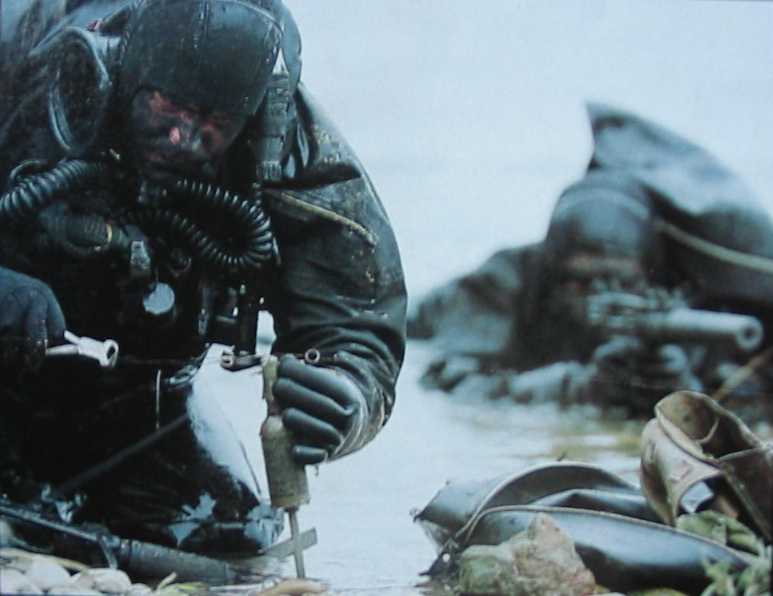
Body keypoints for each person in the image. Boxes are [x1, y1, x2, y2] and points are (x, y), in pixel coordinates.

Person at [0, 0, 406, 555]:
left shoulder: (288, 142)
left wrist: (346, 399)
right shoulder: (24, 57)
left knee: (231, 539)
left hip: (143, 402)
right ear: (130, 68)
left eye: (213, 122)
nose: (181, 138)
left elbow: (357, 314)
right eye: (167, 104)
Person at [411, 104, 773, 423]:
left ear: (648, 272)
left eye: (621, 282)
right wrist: (575, 389)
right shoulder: (506, 282)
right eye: (580, 282)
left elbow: (747, 405)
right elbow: (446, 381)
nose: (601, 295)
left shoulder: (682, 298)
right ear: (552, 267)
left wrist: (681, 392)